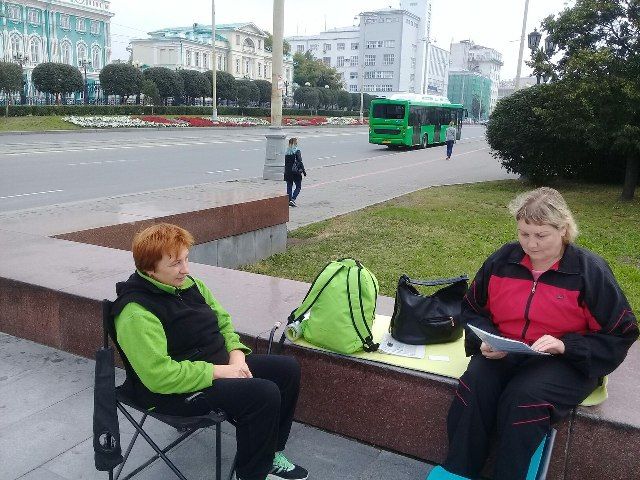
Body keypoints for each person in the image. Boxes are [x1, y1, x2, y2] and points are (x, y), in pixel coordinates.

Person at [443, 187, 637, 480]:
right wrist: (485, 338)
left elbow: (621, 332)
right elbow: (471, 308)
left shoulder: (589, 271)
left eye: (541, 235)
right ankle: (457, 471)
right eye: (524, 233)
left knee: (524, 398)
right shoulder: (502, 261)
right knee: (476, 385)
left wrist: (565, 346)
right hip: (506, 351)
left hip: (565, 361)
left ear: (563, 230)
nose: (530, 244)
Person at [112, 223, 308, 480]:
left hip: (216, 365)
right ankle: (252, 474)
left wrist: (236, 355)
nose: (185, 269)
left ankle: (270, 455)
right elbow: (159, 376)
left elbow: (223, 323)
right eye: (175, 264)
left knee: (287, 369)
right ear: (150, 268)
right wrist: (223, 371)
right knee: (263, 393)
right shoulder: (136, 313)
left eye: (186, 259)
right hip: (173, 392)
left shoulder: (190, 285)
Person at [283, 137, 306, 207]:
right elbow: (300, 162)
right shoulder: (297, 151)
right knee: (298, 186)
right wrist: (304, 171)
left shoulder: (287, 152)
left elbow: (286, 163)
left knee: (289, 186)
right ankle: (292, 199)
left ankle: (289, 201)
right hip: (295, 172)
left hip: (288, 172)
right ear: (295, 143)